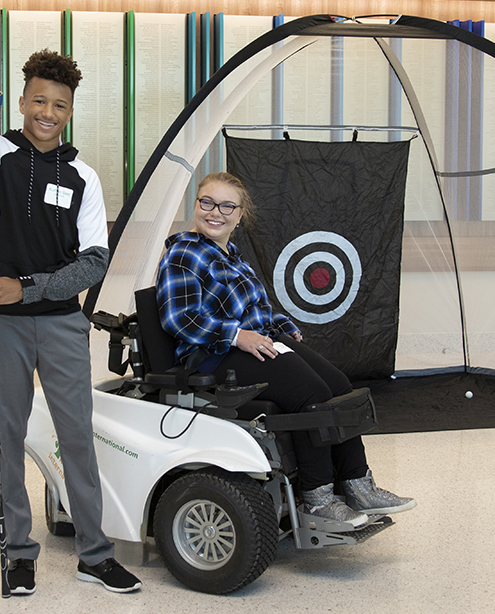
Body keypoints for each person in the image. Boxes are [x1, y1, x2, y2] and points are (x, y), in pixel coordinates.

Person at [0, 49, 141, 596]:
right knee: (6, 436)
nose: (48, 112)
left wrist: (27, 288)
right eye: (39, 100)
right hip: (0, 324)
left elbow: (93, 262)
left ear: (70, 111)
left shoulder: (83, 175)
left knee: (77, 437)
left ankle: (95, 554)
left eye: (59, 104)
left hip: (60, 324)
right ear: (22, 101)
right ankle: (17, 552)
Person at [156, 172, 416, 527]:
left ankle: (357, 483)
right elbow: (179, 318)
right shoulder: (184, 253)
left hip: (254, 342)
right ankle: (318, 497)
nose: (215, 212)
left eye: (227, 205)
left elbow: (256, 308)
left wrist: (282, 327)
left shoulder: (232, 254)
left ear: (240, 215)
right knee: (311, 394)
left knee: (339, 386)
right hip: (213, 355)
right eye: (207, 203)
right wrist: (237, 336)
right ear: (196, 205)